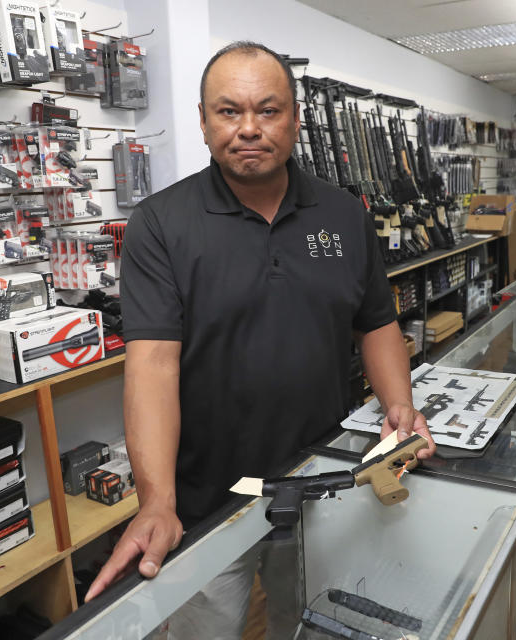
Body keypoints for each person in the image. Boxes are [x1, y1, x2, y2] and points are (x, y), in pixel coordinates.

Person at [84, 40, 435, 633]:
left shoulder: (345, 214)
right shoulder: (161, 224)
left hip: (323, 483)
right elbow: (151, 366)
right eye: (228, 111)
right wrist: (157, 500)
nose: (248, 128)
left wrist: (400, 408)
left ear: (295, 120)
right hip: (204, 501)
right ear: (202, 121)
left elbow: (376, 321)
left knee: (311, 623)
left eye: (268, 110)